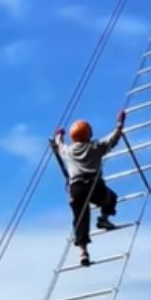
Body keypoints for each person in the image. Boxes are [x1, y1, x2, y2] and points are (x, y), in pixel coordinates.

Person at [53, 111, 126, 266]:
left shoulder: (68, 151)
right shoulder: (95, 147)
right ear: (88, 134)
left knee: (80, 220)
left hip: (76, 189)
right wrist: (119, 124)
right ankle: (104, 219)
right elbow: (113, 139)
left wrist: (59, 134)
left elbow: (59, 144)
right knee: (110, 197)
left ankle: (83, 253)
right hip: (94, 186)